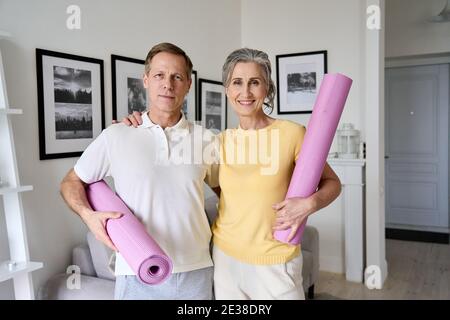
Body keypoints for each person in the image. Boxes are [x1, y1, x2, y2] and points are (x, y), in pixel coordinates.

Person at [123, 48, 341, 300]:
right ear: (227, 89)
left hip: (277, 261)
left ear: (267, 88)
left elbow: (332, 182)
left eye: (255, 82)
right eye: (237, 82)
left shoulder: (293, 134)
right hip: (226, 261)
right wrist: (134, 124)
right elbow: (216, 189)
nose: (245, 92)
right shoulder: (218, 143)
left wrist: (308, 204)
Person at [60, 42, 219, 300]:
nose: (168, 84)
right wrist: (87, 215)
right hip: (136, 271)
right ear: (145, 80)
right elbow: (71, 181)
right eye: (159, 75)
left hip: (195, 271)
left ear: (188, 85)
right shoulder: (116, 135)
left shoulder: (207, 140)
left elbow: (229, 193)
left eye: (177, 77)